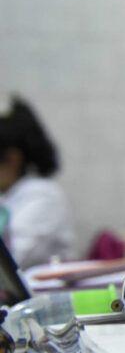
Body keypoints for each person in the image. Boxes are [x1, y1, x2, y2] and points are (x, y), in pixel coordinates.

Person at [0, 97, 74, 268]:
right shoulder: (8, 197)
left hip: (46, 293)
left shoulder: (42, 196)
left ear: (12, 159)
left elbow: (10, 260)